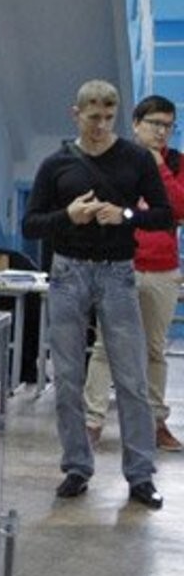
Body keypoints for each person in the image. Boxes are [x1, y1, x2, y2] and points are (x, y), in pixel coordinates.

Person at [23, 79, 171, 509]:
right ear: (76, 115)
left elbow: (164, 215)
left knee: (132, 377)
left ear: (117, 115)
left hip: (118, 272)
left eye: (108, 117)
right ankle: (76, 465)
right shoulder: (56, 164)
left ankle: (140, 474)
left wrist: (125, 215)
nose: (101, 126)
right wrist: (68, 216)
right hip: (68, 272)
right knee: (68, 376)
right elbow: (31, 224)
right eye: (93, 118)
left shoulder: (135, 159)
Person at [82, 94, 184, 454]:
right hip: (118, 264)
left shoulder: (176, 163)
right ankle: (92, 422)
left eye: (169, 126)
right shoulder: (115, 159)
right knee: (105, 347)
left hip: (163, 270)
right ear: (136, 124)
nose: (162, 132)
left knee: (155, 349)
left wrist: (161, 168)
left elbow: (178, 208)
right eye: (155, 124)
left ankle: (155, 422)